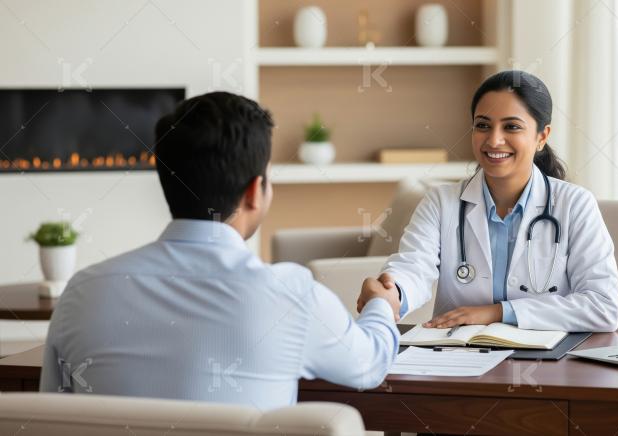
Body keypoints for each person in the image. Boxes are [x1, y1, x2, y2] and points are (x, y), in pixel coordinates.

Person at [40, 92, 400, 410]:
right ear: (254, 191)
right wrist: (381, 304)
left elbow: (49, 418)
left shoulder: (82, 293)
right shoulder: (292, 295)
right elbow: (369, 364)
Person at [357, 70, 618, 332]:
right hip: (457, 357)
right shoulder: (441, 202)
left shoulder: (575, 205)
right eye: (483, 125)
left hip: (547, 362)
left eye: (511, 127)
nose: (494, 140)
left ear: (542, 136)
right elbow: (414, 266)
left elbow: (603, 305)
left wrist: (499, 312)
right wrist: (391, 294)